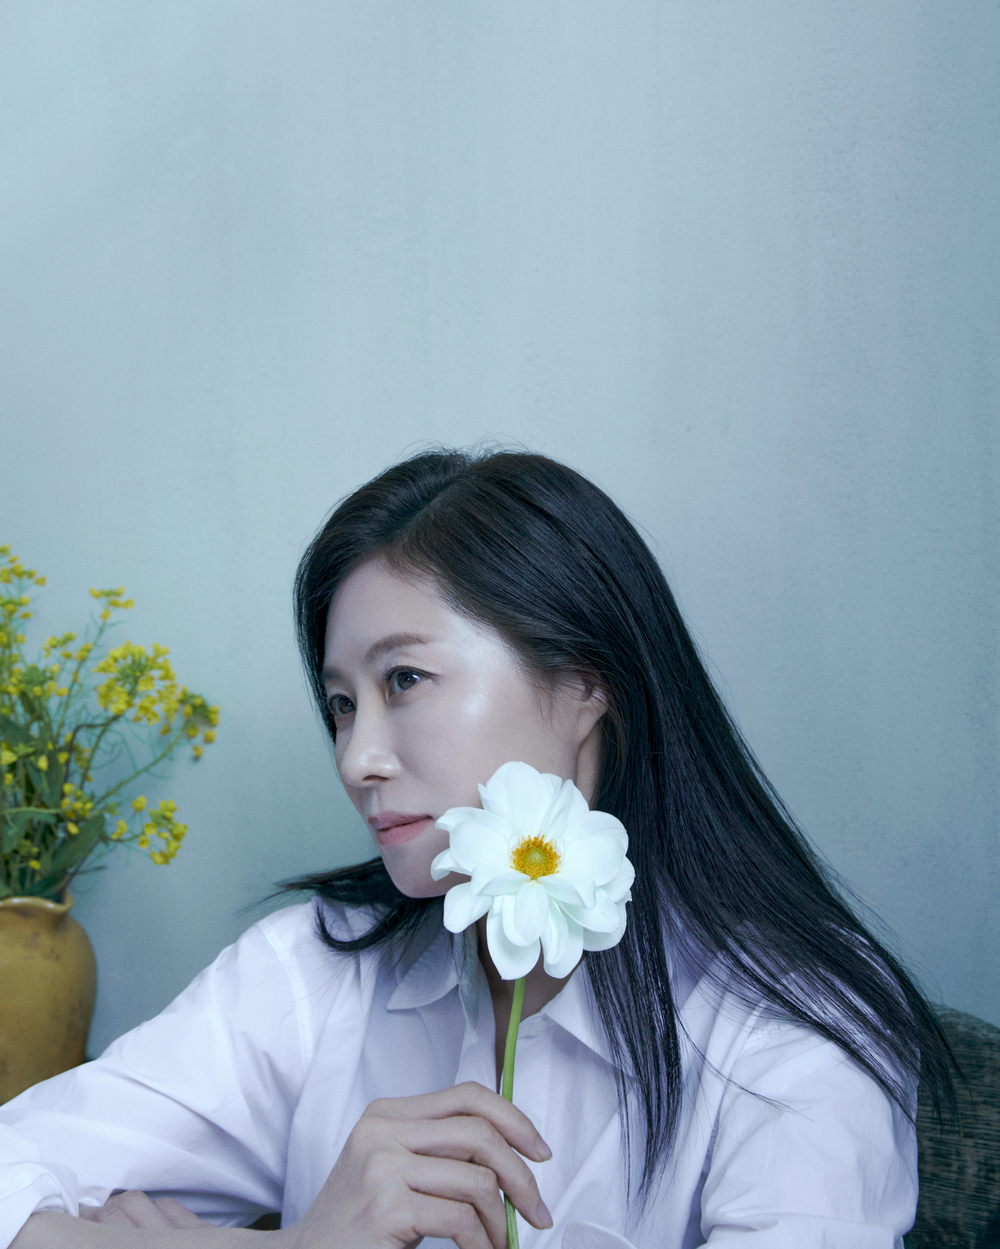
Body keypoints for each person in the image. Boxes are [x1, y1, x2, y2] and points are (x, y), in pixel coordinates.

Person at [0, 450, 954, 1249]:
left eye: (404, 679)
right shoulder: (311, 972)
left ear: (585, 683)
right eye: (341, 704)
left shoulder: (789, 1026)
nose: (357, 759)